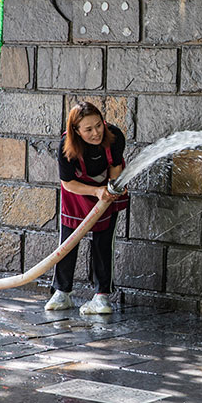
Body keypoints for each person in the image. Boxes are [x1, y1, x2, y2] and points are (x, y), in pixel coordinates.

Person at [45, 101, 129, 314]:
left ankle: (102, 296)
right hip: (77, 192)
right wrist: (95, 192)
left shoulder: (115, 136)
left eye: (98, 125)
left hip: (105, 190)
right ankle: (62, 292)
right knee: (68, 242)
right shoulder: (66, 146)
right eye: (88, 129)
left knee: (103, 242)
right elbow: (67, 183)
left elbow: (115, 168)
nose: (96, 133)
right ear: (76, 131)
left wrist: (113, 189)